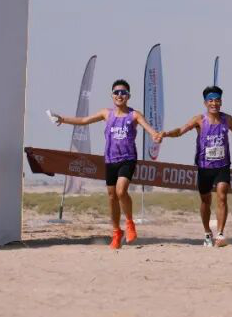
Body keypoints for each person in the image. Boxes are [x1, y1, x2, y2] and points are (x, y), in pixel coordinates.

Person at [48, 79, 159, 249]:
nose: (120, 95)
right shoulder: (106, 114)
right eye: (116, 92)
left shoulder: (134, 115)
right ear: (112, 95)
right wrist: (62, 119)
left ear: (128, 96)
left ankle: (130, 223)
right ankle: (116, 232)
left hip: (128, 158)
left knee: (121, 191)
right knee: (112, 196)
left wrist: (154, 134)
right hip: (110, 160)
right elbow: (84, 120)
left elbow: (148, 128)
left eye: (123, 92)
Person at [158, 85, 232, 247]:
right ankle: (207, 232)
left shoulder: (227, 119)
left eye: (217, 100)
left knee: (222, 195)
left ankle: (220, 234)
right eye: (211, 100)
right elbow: (180, 130)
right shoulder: (199, 120)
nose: (214, 103)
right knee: (205, 201)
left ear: (221, 102)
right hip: (204, 167)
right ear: (205, 103)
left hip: (222, 165)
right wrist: (166, 134)